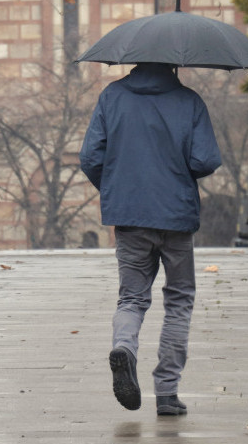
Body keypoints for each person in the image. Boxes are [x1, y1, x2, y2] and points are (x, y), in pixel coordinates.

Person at [79, 63, 222, 417]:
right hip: (176, 216)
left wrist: (116, 186)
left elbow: (89, 157)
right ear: (173, 63)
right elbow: (205, 160)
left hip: (128, 215)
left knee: (131, 298)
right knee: (179, 300)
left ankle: (124, 348)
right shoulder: (189, 101)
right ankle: (168, 394)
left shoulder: (112, 97)